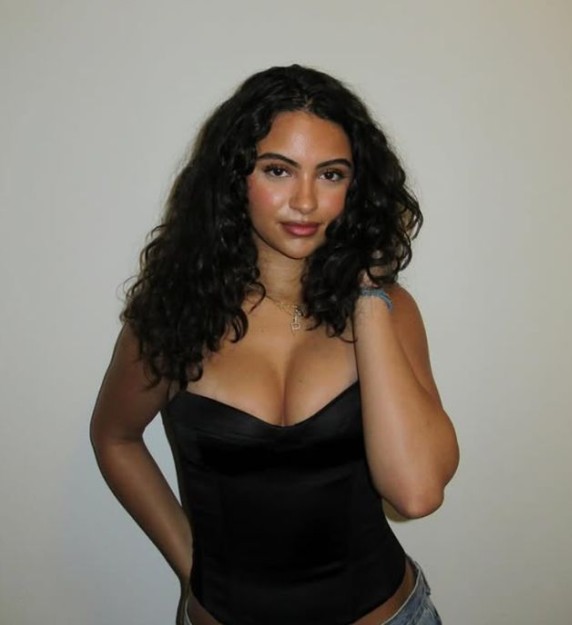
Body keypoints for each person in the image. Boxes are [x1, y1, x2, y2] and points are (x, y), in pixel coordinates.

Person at [91, 64, 459, 625]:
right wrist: (192, 566)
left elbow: (416, 493)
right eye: (278, 170)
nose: (305, 201)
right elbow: (115, 437)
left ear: (355, 188)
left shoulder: (388, 311)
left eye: (331, 174)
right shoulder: (173, 315)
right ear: (235, 177)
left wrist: (366, 293)